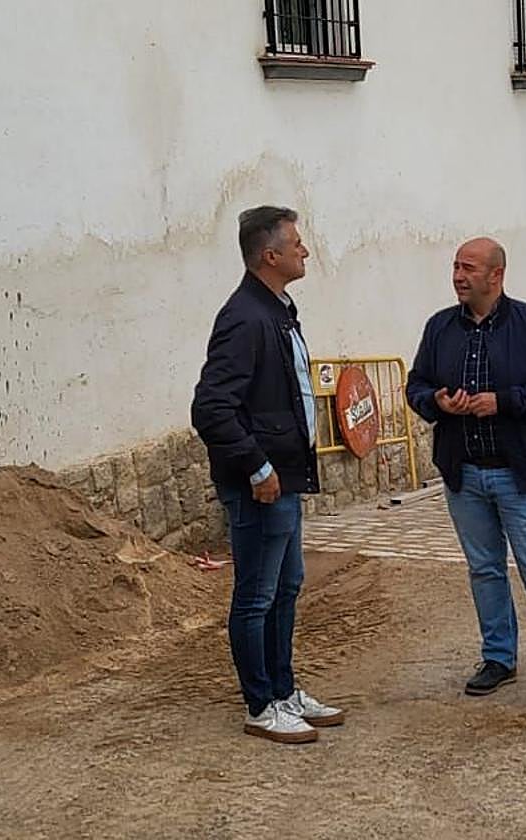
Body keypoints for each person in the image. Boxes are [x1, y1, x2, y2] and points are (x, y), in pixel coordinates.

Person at [406, 237, 526, 715]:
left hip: (521, 474)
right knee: (485, 571)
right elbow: (416, 385)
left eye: (468, 268)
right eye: (455, 267)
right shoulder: (440, 327)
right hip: (464, 475)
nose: (458, 276)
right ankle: (499, 658)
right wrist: (436, 402)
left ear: (496, 275)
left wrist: (503, 402)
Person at [191, 206, 344, 745]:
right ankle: (260, 705)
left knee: (286, 587)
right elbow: (211, 408)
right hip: (261, 484)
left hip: (284, 478)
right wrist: (256, 466)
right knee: (257, 595)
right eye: (296, 243)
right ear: (270, 255)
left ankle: (283, 690)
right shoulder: (245, 317)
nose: (305, 251)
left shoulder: (277, 311)